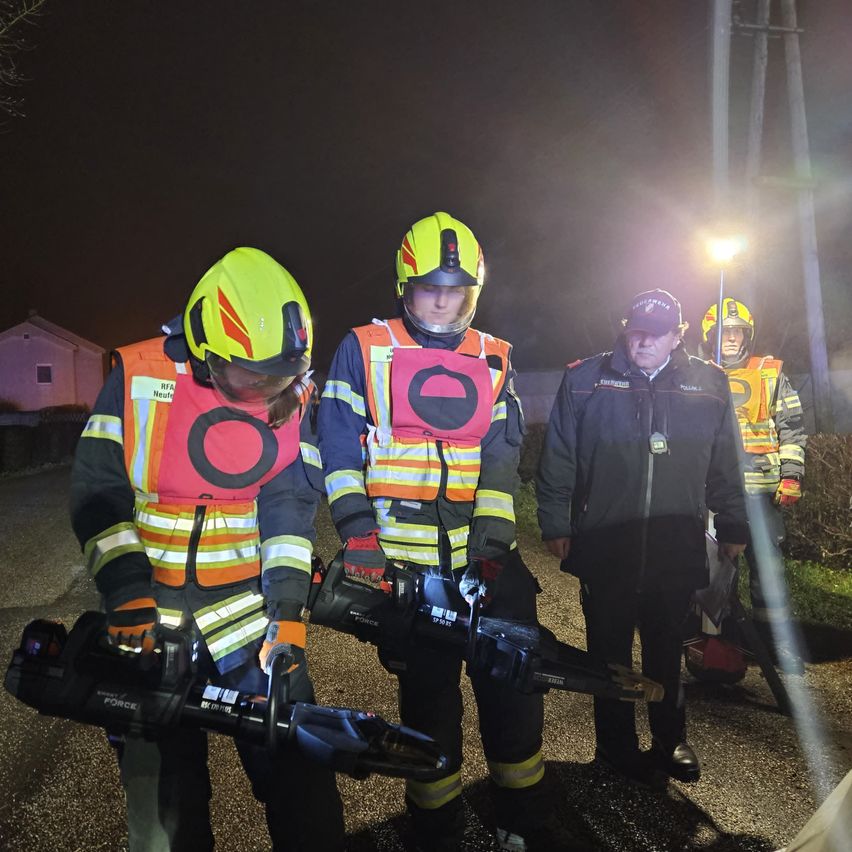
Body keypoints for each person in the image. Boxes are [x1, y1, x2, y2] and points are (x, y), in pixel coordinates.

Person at [70, 247, 345, 850]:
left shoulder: (289, 395)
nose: (266, 390)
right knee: (165, 811)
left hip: (250, 620)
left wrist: (291, 614)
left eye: (280, 376)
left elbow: (289, 510)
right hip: (145, 624)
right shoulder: (138, 378)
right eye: (253, 375)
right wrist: (125, 593)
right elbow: (98, 494)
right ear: (204, 345)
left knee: (302, 779)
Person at [317, 213, 550, 851]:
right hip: (404, 567)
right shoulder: (363, 347)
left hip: (483, 563)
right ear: (405, 286)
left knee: (512, 689)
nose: (444, 300)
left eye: (458, 289)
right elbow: (336, 447)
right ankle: (436, 828)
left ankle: (520, 821)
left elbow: (503, 458)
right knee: (428, 708)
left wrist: (495, 548)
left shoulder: (493, 354)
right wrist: (360, 537)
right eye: (430, 287)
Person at [536, 288, 748, 785]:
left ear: (679, 336)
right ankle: (615, 746)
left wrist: (734, 522)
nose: (642, 343)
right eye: (634, 332)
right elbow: (559, 457)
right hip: (605, 544)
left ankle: (670, 740)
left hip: (676, 547)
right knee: (607, 654)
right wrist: (555, 520)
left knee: (665, 650)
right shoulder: (585, 380)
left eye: (654, 335)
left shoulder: (711, 384)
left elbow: (726, 462)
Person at [701, 297, 807, 673]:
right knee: (716, 574)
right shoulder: (699, 376)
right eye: (723, 332)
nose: (730, 338)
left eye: (737, 331)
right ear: (709, 334)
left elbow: (792, 427)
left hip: (762, 493)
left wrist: (791, 474)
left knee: (768, 573)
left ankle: (777, 646)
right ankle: (721, 644)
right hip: (714, 497)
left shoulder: (769, 373)